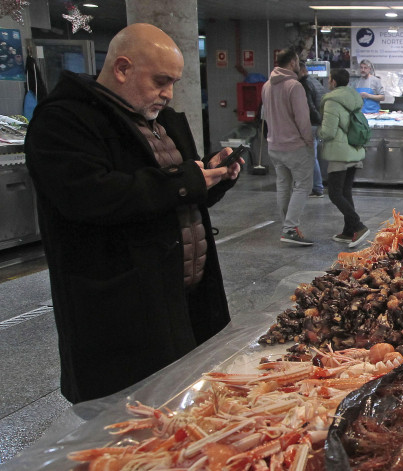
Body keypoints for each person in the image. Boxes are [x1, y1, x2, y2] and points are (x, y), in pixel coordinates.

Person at [24, 23, 241, 403]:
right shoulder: (65, 120)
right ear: (122, 68)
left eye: (174, 82)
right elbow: (92, 197)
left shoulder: (163, 121)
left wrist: (213, 177)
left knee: (190, 406)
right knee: (130, 425)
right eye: (160, 80)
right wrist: (186, 180)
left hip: (184, 299)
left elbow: (175, 198)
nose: (168, 93)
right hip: (121, 312)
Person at [262, 49, 315, 246]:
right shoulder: (294, 86)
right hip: (294, 146)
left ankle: (287, 226)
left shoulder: (267, 85)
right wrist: (309, 142)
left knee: (283, 185)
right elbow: (302, 119)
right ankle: (290, 229)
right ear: (293, 61)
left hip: (274, 145)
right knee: (302, 186)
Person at [318, 68, 371, 248]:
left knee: (334, 193)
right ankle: (349, 230)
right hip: (354, 150)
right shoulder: (354, 98)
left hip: (339, 153)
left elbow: (328, 131)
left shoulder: (332, 101)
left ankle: (358, 225)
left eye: (329, 79)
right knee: (345, 191)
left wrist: (317, 133)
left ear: (333, 82)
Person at [298, 61, 327, 197]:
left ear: (301, 70)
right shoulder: (315, 82)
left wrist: (315, 120)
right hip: (318, 123)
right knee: (312, 156)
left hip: (311, 124)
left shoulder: (304, 84)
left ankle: (316, 187)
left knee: (310, 157)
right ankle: (316, 186)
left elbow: (309, 106)